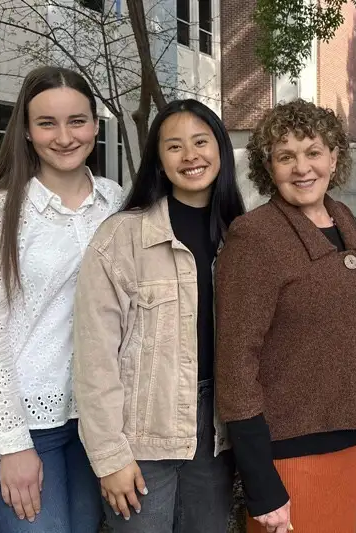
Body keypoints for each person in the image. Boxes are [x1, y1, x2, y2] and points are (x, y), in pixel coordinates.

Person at [0, 65, 123, 533]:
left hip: (98, 422)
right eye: (47, 123)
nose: (64, 136)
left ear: (95, 124)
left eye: (77, 120)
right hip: (28, 425)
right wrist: (12, 446)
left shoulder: (116, 203)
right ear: (27, 131)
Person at [214, 99, 356, 533]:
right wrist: (261, 482)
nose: (301, 167)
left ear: (334, 157)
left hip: (346, 437)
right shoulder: (255, 236)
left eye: (313, 152)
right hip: (288, 451)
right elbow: (236, 362)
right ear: (267, 167)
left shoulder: (343, 217)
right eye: (285, 156)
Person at [72, 99, 244, 533]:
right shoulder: (122, 236)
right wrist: (110, 456)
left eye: (201, 142)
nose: (190, 156)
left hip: (215, 432)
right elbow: (94, 356)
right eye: (174, 146)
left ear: (220, 149)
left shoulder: (241, 235)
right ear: (158, 160)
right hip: (141, 434)